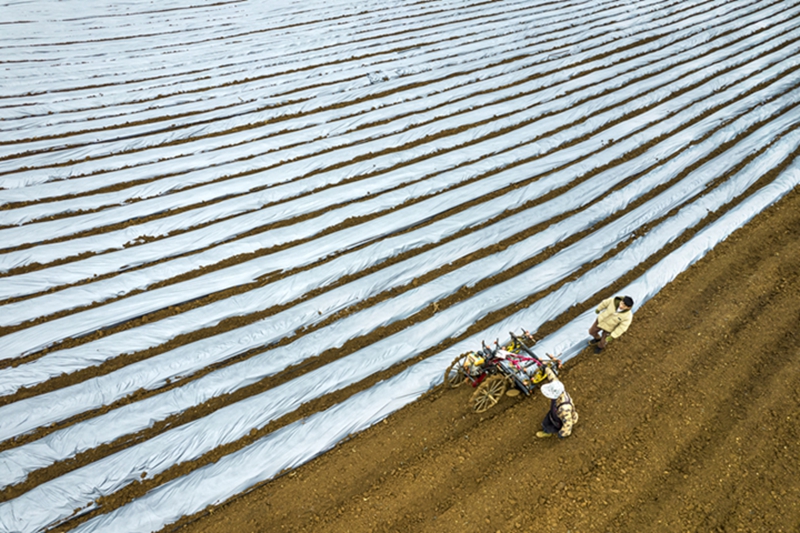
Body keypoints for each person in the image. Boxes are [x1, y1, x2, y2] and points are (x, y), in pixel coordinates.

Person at [535, 366, 578, 439]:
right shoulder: (558, 388)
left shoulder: (564, 409)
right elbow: (552, 378)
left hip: (559, 418)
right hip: (555, 410)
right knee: (548, 419)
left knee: (553, 425)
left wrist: (563, 433)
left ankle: (547, 432)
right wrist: (546, 368)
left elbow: (568, 423)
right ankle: (546, 426)